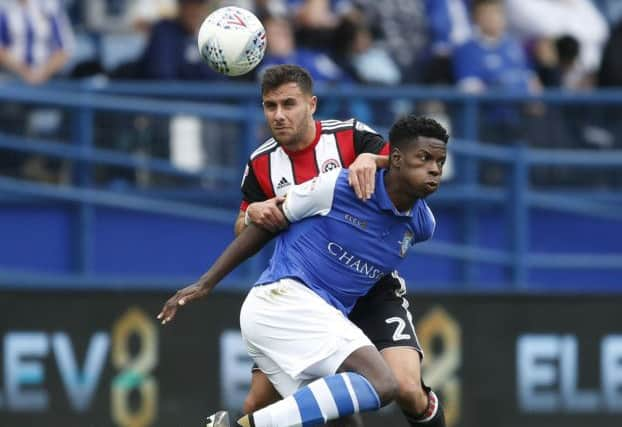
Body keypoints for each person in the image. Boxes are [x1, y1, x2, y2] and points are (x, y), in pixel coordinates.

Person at [158, 113, 449, 427]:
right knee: (382, 383)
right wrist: (206, 282)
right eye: (424, 158)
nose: (434, 169)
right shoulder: (339, 186)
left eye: (440, 162)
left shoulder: (422, 225)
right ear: (395, 158)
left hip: (314, 313)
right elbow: (268, 223)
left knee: (341, 419)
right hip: (287, 300)